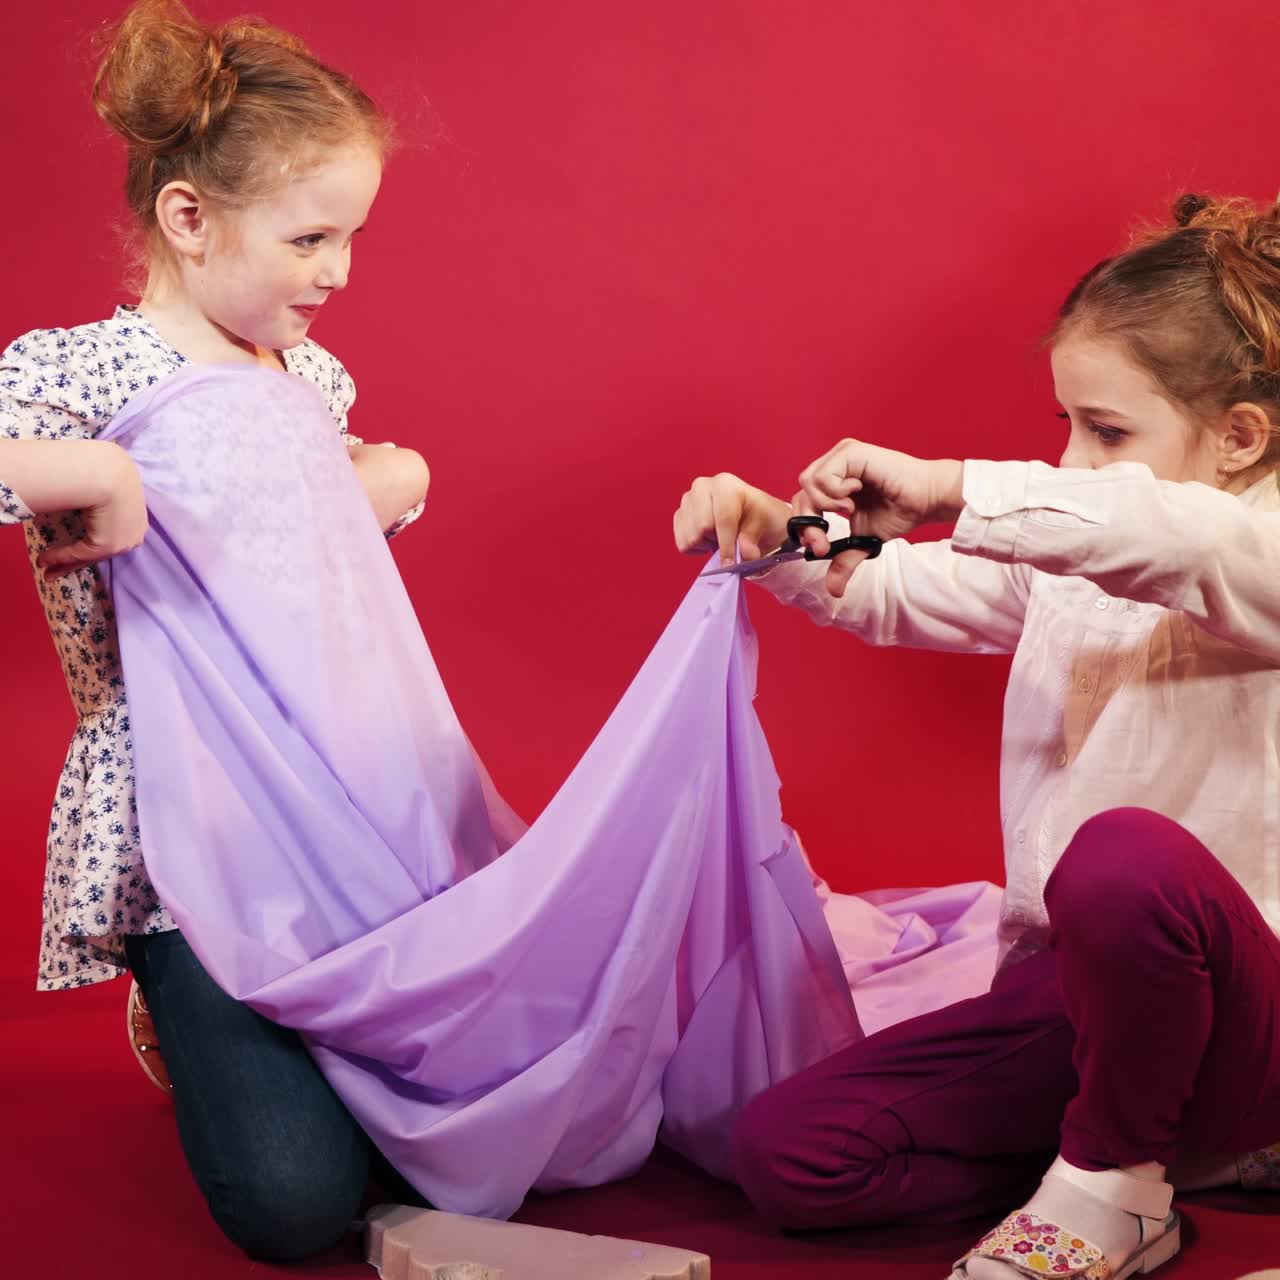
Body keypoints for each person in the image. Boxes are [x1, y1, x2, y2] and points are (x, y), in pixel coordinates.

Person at [673, 193, 1280, 1277]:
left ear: (1240, 437)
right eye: (1063, 425)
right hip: (1091, 1006)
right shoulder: (1083, 551)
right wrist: (779, 527)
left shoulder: (1253, 550)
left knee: (1120, 854)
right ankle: (1149, 1158)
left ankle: (1116, 1181)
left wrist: (956, 483)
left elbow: (1176, 539)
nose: (1072, 459)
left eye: (1104, 430)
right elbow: (894, 583)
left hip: (1250, 1016)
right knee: (790, 1156)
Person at [0, 0, 428, 1259]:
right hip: (188, 810)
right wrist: (96, 469)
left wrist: (390, 475)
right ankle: (187, 1011)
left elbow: (337, 533)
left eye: (350, 235)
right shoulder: (77, 373)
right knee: (300, 1209)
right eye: (310, 237)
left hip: (335, 782)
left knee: (466, 1125)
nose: (338, 269)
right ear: (190, 219)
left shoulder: (311, 381)